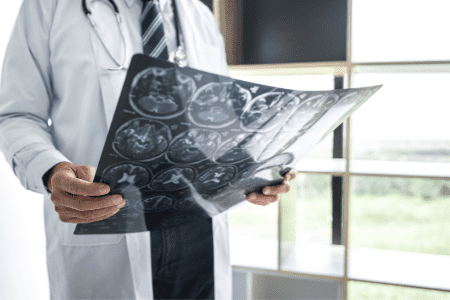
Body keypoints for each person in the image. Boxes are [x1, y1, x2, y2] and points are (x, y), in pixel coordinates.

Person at [0, 0, 296, 299]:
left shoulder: (199, 15)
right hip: (109, 228)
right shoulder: (47, 6)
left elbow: (219, 119)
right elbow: (17, 115)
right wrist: (51, 172)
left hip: (199, 231)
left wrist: (255, 166)